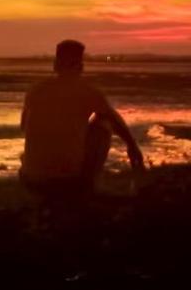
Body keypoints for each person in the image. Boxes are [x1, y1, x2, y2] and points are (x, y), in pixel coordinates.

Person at [20, 39, 144, 196]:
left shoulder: (35, 90)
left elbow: (24, 127)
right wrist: (132, 146)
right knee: (103, 123)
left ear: (55, 65)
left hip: (31, 178)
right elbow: (114, 120)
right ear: (80, 66)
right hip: (67, 179)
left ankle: (44, 170)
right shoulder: (87, 92)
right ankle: (91, 184)